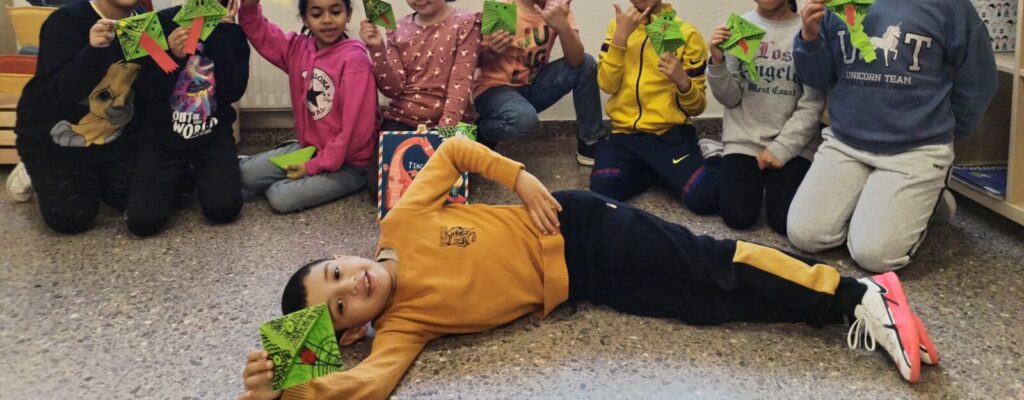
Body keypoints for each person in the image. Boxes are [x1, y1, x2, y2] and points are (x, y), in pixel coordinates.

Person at [237, 136, 938, 400]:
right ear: (351, 332)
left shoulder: (400, 223)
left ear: (346, 255)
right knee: (709, 305)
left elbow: (452, 152)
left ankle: (853, 292)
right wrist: (286, 387)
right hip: (585, 286)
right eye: (340, 305)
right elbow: (367, 383)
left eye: (336, 272)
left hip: (579, 223)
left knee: (708, 260)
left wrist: (520, 178)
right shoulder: (402, 328)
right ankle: (836, 312)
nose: (351, 285)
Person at [789, 0, 998, 271]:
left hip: (915, 151)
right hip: (847, 144)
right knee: (806, 235)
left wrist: (951, 130)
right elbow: (818, 78)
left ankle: (928, 192)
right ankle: (888, 201)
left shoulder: (948, 3)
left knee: (874, 255)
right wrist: (808, 37)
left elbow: (979, 76)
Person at [13, 0, 154, 234]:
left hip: (112, 137)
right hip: (54, 138)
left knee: (149, 198)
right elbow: (59, 93)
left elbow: (145, 89)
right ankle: (31, 169)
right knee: (72, 219)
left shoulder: (143, 22)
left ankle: (96, 175)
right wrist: (93, 51)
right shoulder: (65, 22)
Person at [125, 0, 249, 236]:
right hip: (162, 141)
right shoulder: (157, 24)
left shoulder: (232, 30)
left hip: (211, 136)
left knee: (224, 209)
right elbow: (146, 94)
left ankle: (196, 174)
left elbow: (233, 91)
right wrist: (172, 56)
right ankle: (182, 177)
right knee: (143, 223)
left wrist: (223, 35)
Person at [704, 0, 824, 235]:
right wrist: (717, 61)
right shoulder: (741, 28)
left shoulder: (807, 30)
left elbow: (812, 102)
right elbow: (730, 98)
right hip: (744, 140)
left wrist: (782, 149)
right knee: (737, 216)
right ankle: (717, 158)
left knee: (783, 221)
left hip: (793, 144)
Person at [590, 0, 718, 213]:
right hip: (625, 135)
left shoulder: (684, 34)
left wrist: (682, 81)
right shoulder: (617, 28)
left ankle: (712, 157)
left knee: (704, 198)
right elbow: (607, 84)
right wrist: (620, 39)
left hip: (670, 134)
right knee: (603, 188)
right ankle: (655, 169)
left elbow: (696, 107)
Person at [238, 0, 379, 213]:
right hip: (311, 148)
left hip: (350, 162)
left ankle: (335, 179)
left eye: (336, 12)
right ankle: (285, 159)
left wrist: (312, 167)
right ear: (304, 18)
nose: (327, 20)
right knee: (245, 175)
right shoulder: (297, 49)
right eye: (316, 14)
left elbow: (356, 133)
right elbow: (260, 32)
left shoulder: (355, 60)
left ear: (348, 14)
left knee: (280, 197)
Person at [359, 0, 480, 199]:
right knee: (380, 191)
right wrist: (376, 48)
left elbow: (460, 84)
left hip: (449, 123)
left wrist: (443, 136)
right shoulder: (397, 28)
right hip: (402, 120)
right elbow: (393, 89)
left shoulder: (465, 23)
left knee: (448, 191)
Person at [472, 0, 605, 165]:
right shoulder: (502, 8)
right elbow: (477, 64)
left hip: (533, 86)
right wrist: (492, 49)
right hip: (495, 89)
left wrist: (563, 27)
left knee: (588, 62)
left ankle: (590, 141)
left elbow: (577, 62)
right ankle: (481, 131)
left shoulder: (558, 7)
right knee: (525, 121)